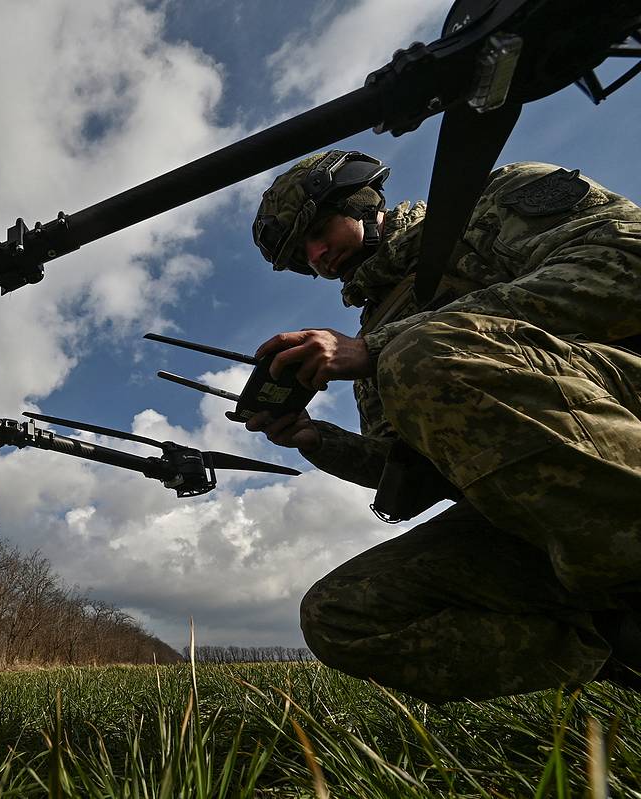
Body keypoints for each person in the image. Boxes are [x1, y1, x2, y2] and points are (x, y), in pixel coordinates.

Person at [247, 149, 641, 702]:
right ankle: (619, 644)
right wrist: (317, 439)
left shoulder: (487, 204)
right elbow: (423, 472)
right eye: (301, 258)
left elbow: (625, 262)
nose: (316, 256)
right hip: (535, 517)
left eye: (317, 230)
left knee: (422, 353)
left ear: (360, 201)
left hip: (622, 414)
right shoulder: (375, 332)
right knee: (341, 614)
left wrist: (384, 350)